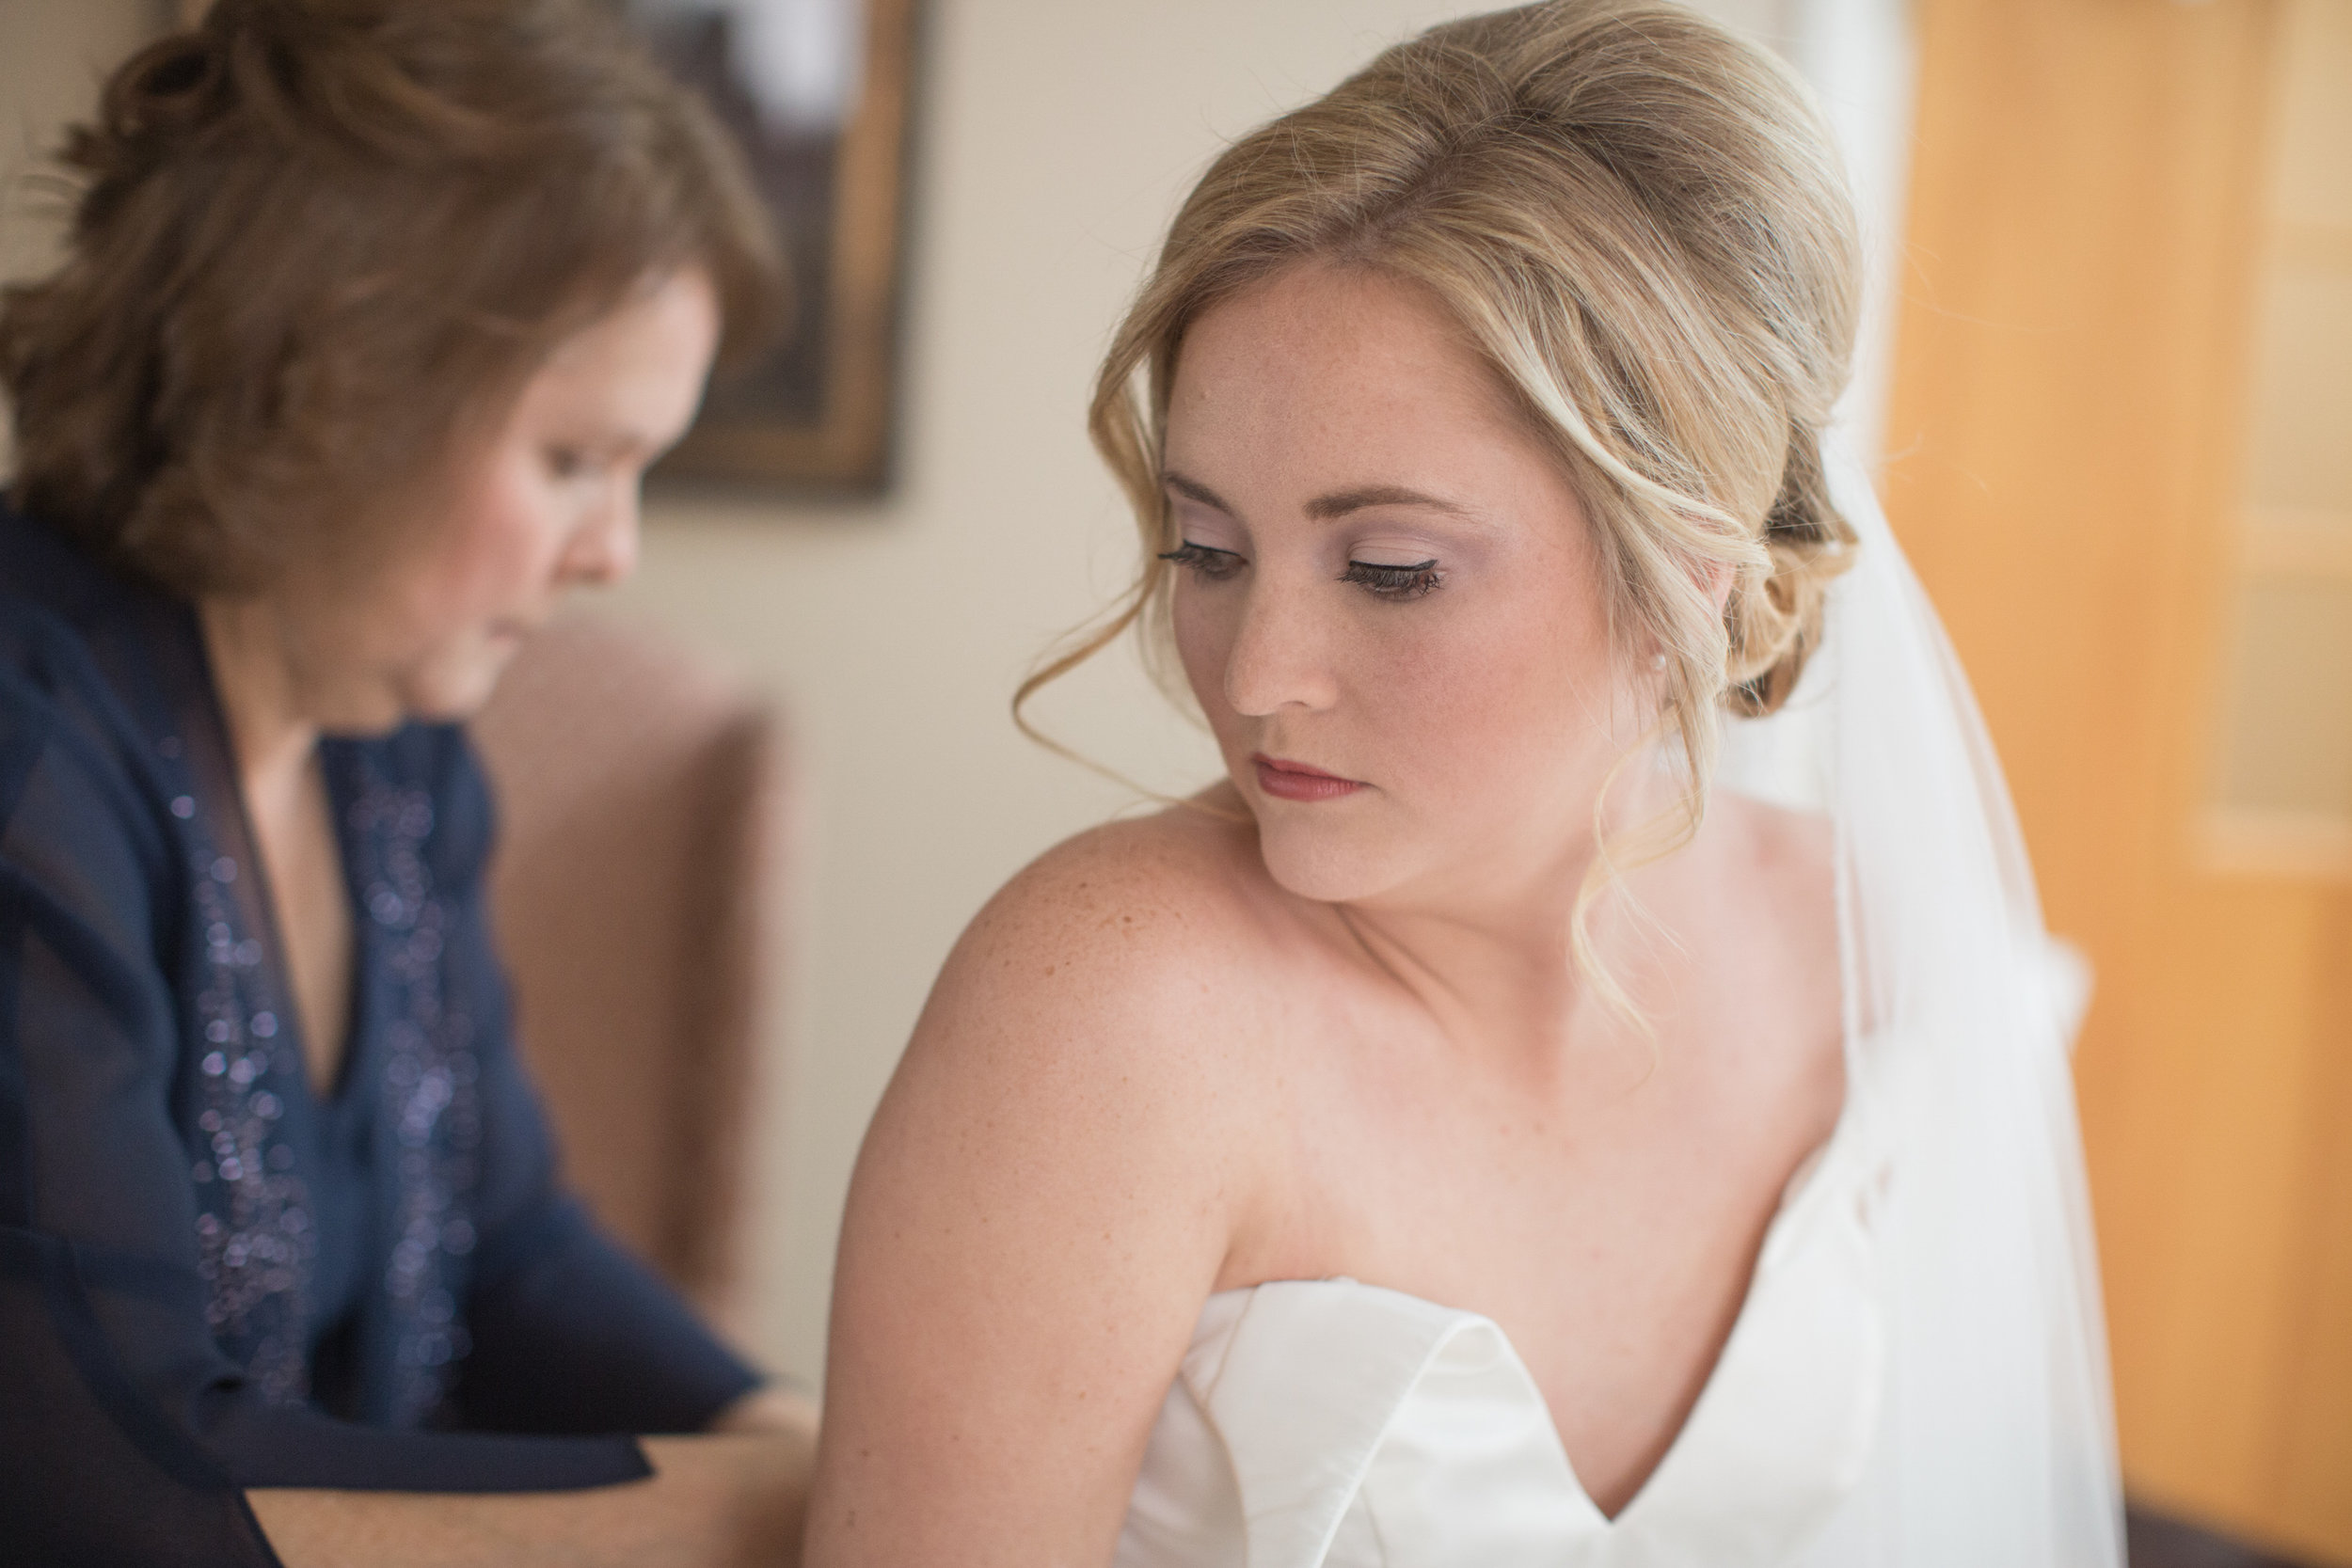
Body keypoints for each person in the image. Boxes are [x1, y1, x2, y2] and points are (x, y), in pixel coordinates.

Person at [805, 4, 2122, 1565]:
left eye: (1394, 570)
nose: (1255, 672)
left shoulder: (1885, 956)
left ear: (1694, 568)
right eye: (1206, 549)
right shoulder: (1113, 1008)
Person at [0, 2, 814, 1563]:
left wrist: (786, 1425)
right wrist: (759, 1508)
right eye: (576, 459)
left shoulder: (395, 755)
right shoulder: (33, 762)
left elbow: (507, 1252)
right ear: (339, 376)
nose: (614, 553)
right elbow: (114, 1486)